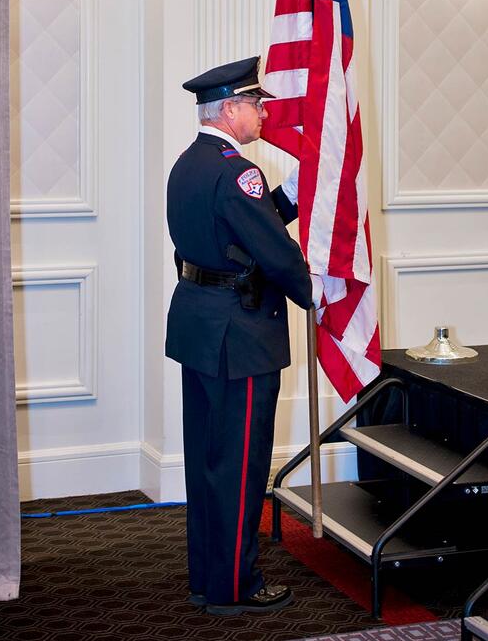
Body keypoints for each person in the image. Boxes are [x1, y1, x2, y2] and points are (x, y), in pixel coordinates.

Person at [165, 55, 313, 616]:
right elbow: (271, 250)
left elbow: (235, 230)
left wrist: (294, 194)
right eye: (255, 104)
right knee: (241, 464)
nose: (262, 113)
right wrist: (318, 294)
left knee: (208, 459)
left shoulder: (191, 164)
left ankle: (208, 577)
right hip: (241, 335)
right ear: (230, 109)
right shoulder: (236, 171)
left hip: (201, 326)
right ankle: (234, 586)